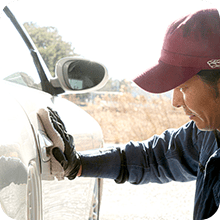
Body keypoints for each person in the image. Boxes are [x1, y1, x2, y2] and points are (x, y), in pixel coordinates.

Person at [44, 8, 220, 220]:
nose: (175, 102)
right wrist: (78, 164)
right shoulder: (207, 135)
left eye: (183, 88)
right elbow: (152, 158)